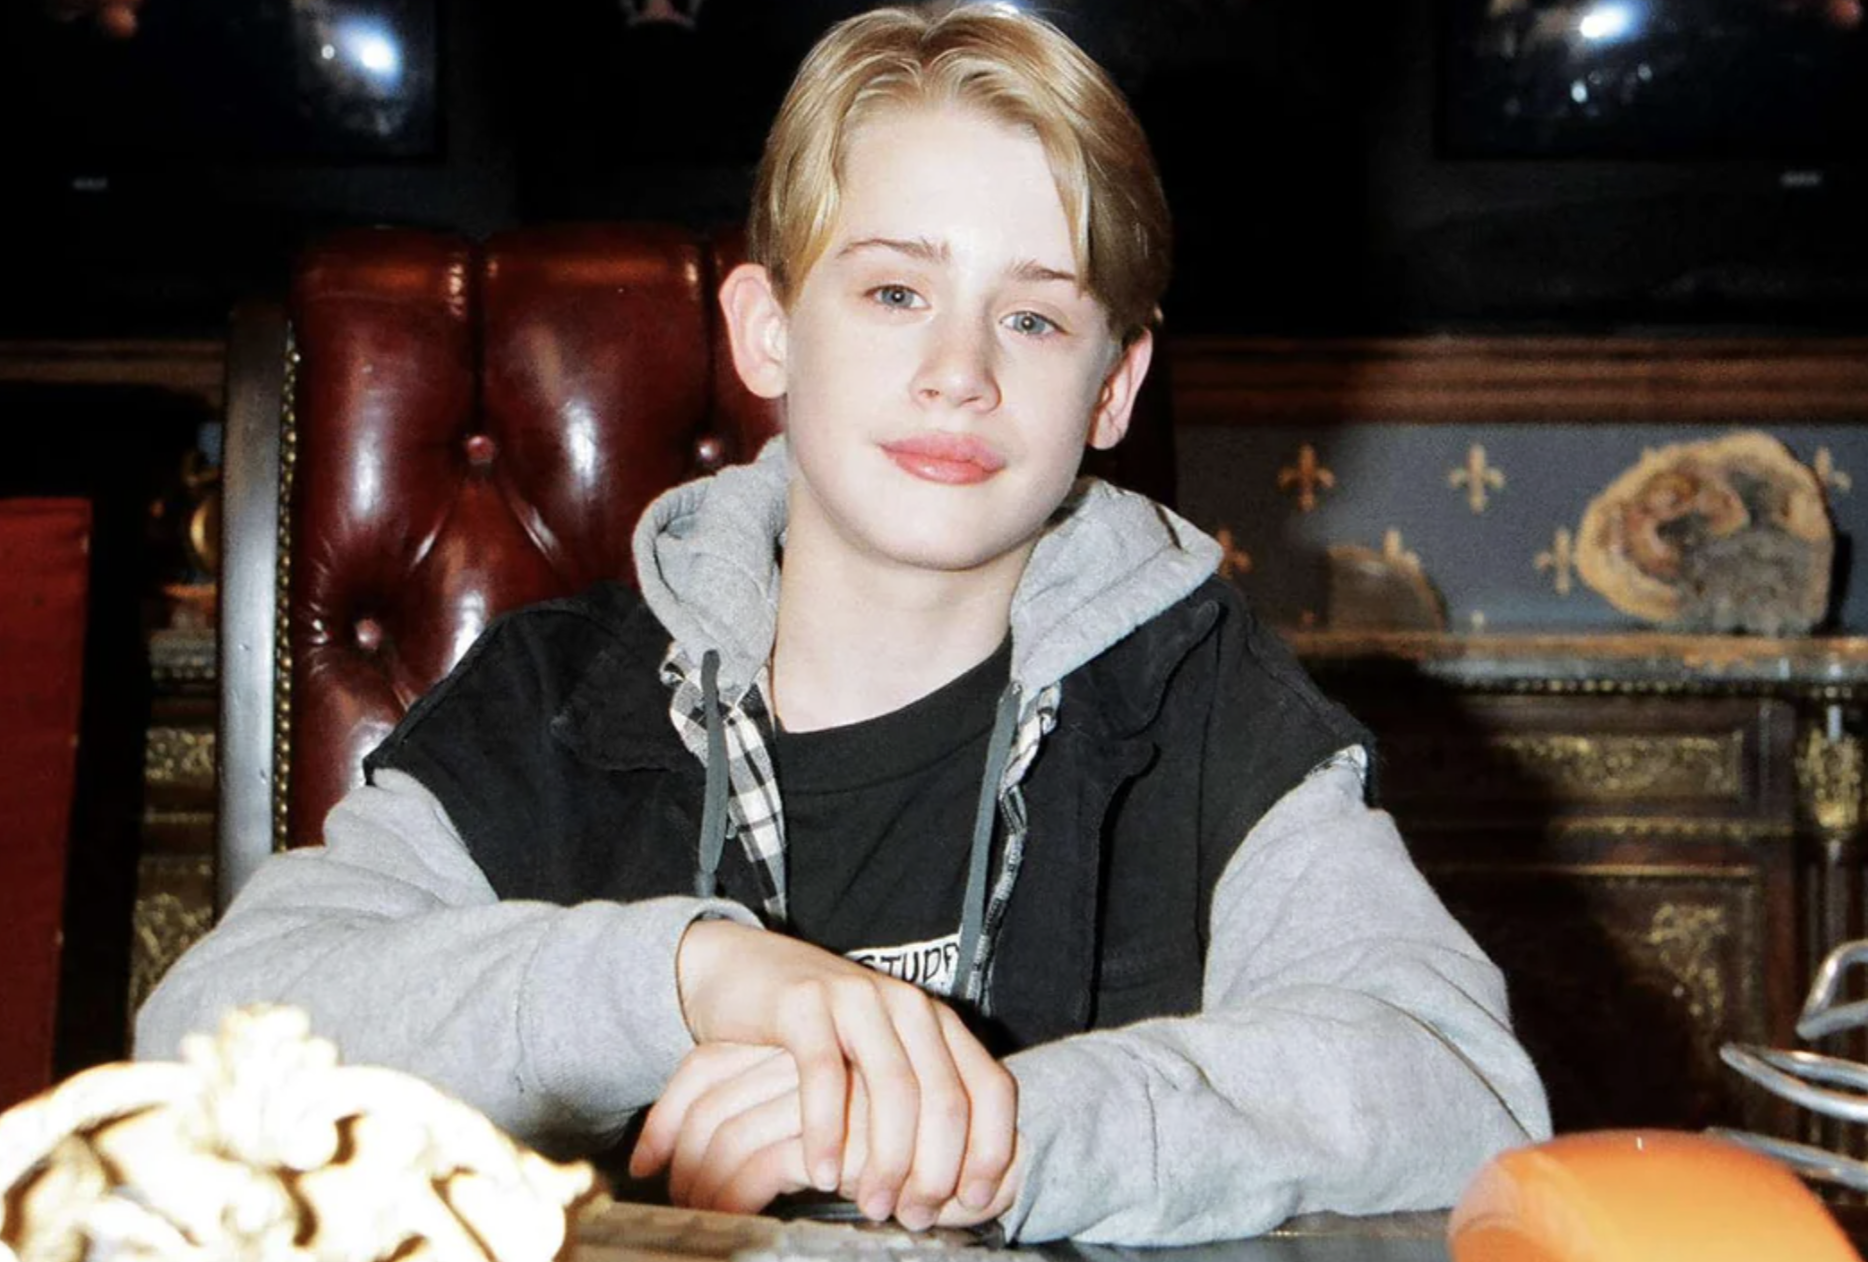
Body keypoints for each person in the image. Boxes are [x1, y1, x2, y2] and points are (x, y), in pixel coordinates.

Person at [138, 3, 1550, 1244]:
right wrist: (684, 976)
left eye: (1035, 320)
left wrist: (986, 1133)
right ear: (768, 329)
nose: (958, 371)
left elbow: (1459, 1088)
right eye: (893, 292)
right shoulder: (552, 701)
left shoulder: (1199, 694)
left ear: (1114, 388)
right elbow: (202, 1040)